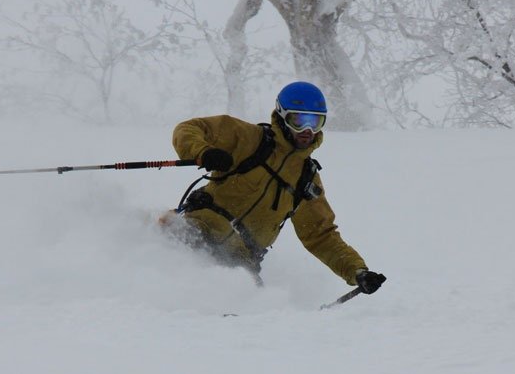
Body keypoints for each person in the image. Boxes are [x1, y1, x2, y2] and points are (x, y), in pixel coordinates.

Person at [162, 81, 386, 295]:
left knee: (241, 299)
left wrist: (357, 272)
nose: (307, 130)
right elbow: (189, 128)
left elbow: (320, 235)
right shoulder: (248, 139)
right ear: (282, 116)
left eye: (315, 122)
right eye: (299, 120)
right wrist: (203, 152)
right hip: (196, 232)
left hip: (238, 261)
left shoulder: (305, 179)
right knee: (164, 246)